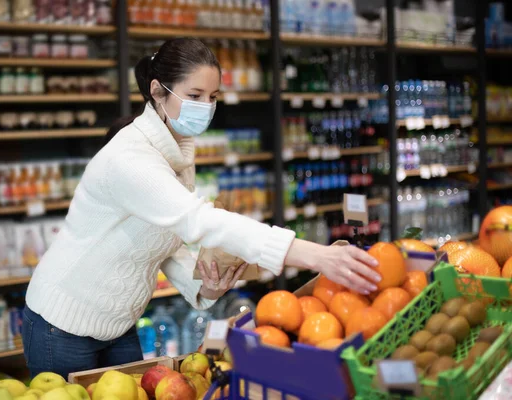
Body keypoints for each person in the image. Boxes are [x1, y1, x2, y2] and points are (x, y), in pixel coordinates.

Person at [22, 38, 381, 379]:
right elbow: (197, 220)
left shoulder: (179, 150)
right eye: (194, 95)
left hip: (117, 322)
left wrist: (202, 287)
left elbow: (164, 234)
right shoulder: (130, 158)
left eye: (212, 96)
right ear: (158, 92)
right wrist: (314, 256)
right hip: (62, 323)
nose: (205, 107)